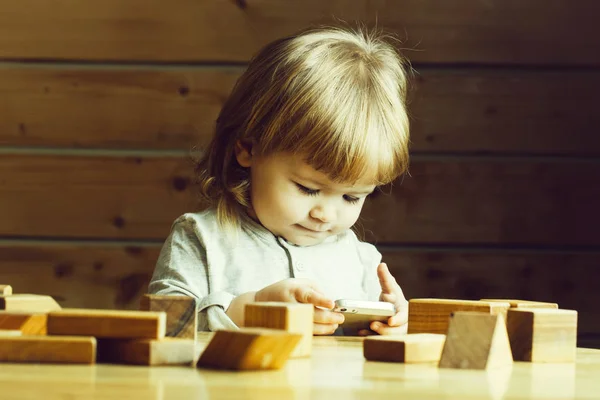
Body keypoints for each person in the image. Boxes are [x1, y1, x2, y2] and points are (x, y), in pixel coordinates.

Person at [149, 24, 411, 336]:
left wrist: (392, 325)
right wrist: (248, 310)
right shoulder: (202, 239)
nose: (325, 215)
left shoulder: (361, 260)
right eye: (307, 188)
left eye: (351, 197)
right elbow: (163, 328)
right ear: (247, 149)